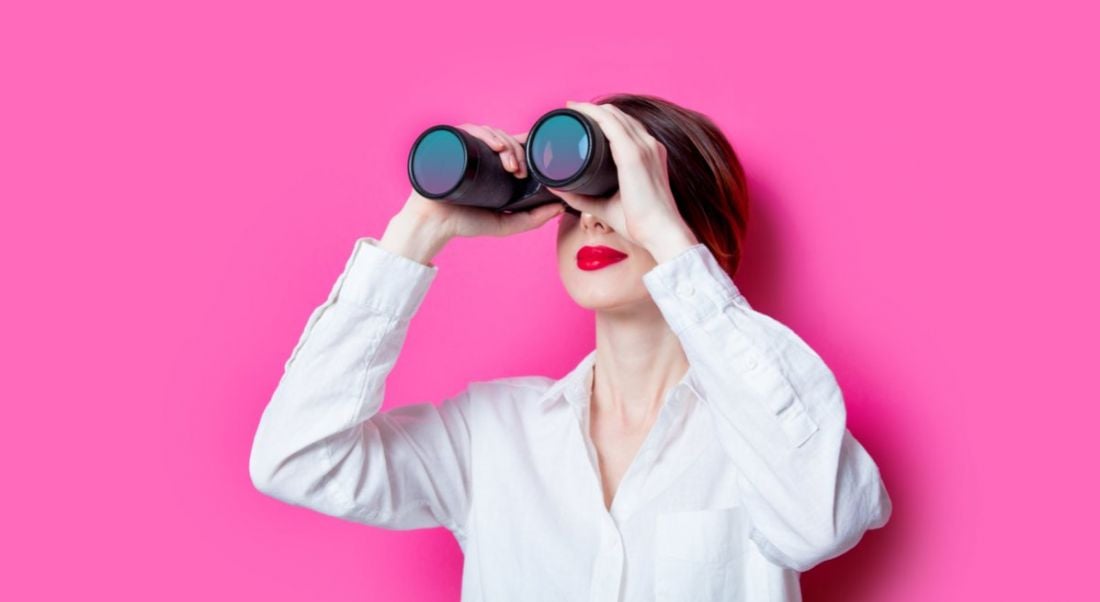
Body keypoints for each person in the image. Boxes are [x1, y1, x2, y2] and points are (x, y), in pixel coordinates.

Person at [249, 93, 892, 601]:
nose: (592, 216)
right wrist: (420, 228)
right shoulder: (491, 435)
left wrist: (667, 234)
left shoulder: (762, 437)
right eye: (577, 198)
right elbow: (296, 460)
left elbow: (819, 523)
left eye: (619, 194)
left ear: (700, 237)